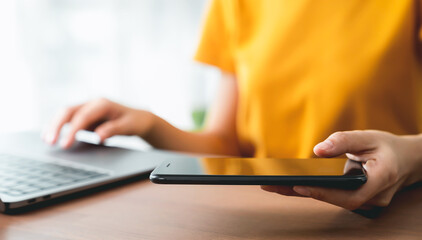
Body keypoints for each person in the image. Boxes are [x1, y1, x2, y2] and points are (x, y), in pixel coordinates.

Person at [43, 0, 422, 211]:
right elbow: (227, 145)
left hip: (389, 216)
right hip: (264, 219)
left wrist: (410, 156)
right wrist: (147, 124)